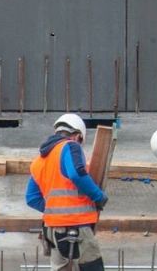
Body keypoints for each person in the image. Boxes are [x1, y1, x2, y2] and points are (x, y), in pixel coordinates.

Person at [26, 114, 108, 271]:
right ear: (77, 136)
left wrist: (55, 211)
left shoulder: (39, 160)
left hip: (51, 232)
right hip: (76, 227)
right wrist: (98, 197)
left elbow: (31, 198)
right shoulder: (70, 146)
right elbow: (76, 174)